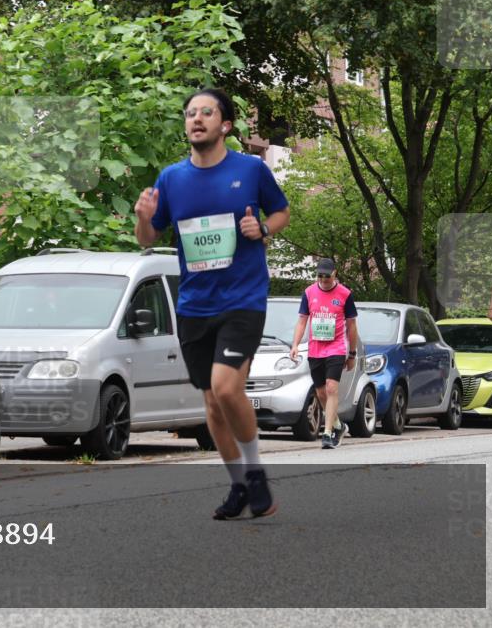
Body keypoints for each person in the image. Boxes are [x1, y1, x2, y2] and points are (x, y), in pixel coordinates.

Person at [133, 88, 290, 520]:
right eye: (190, 114)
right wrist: (144, 216)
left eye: (206, 112)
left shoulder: (250, 169)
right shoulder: (171, 179)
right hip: (194, 306)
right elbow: (148, 239)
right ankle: (238, 485)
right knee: (211, 404)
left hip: (243, 298)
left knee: (226, 388)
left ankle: (255, 473)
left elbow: (281, 212)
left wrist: (263, 228)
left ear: (225, 125)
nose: (196, 119)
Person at [289, 258, 359, 449]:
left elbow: (352, 326)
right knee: (321, 393)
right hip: (315, 349)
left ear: (335, 273)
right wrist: (295, 344)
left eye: (326, 276)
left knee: (331, 388)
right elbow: (302, 321)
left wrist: (352, 354)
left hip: (336, 348)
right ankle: (338, 425)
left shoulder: (345, 294)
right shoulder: (309, 293)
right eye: (319, 275)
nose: (323, 279)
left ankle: (327, 433)